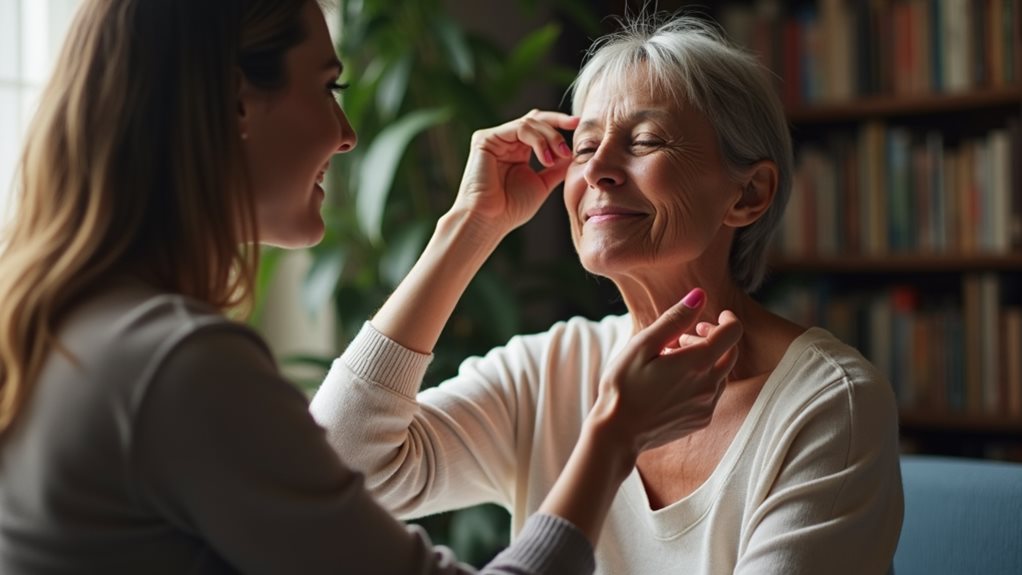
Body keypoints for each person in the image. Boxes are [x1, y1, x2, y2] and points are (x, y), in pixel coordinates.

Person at [0, 2, 745, 574]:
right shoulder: (174, 365)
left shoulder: (71, 328)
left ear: (752, 193)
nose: (348, 132)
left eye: (645, 139)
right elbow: (356, 458)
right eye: (328, 87)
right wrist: (613, 435)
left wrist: (471, 224)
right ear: (235, 103)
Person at [310, 13, 904, 575]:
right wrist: (472, 224)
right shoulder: (550, 371)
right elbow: (339, 469)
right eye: (586, 146)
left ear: (748, 194)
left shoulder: (829, 405)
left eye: (645, 142)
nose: (597, 172)